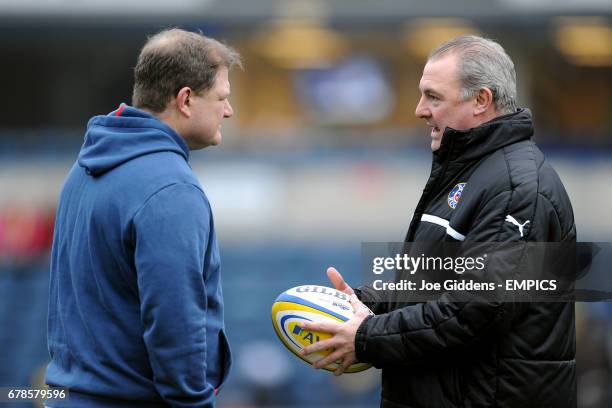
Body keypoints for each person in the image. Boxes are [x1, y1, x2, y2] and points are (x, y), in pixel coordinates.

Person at [301, 35, 576, 407]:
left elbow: (477, 309)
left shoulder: (516, 188)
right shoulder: (473, 174)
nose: (419, 110)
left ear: (481, 100)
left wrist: (368, 336)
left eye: (433, 97)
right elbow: (441, 286)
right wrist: (369, 306)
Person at [45, 28, 241, 407]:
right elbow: (175, 325)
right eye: (222, 98)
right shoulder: (171, 188)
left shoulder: (86, 166)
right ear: (185, 99)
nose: (228, 111)